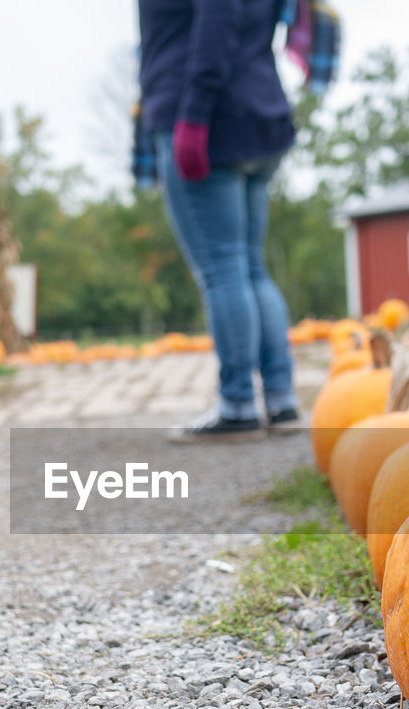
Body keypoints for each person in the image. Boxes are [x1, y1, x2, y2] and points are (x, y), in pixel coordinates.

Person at [137, 0, 300, 441]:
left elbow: (217, 19)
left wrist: (193, 115)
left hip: (207, 120)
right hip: (256, 110)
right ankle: (281, 401)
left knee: (224, 268)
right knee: (247, 266)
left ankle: (237, 405)